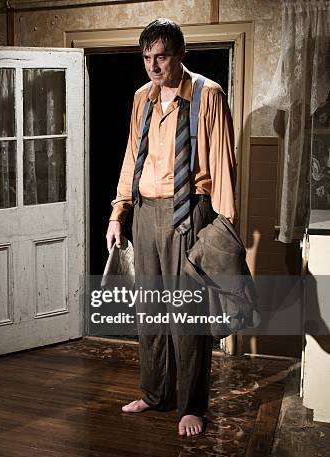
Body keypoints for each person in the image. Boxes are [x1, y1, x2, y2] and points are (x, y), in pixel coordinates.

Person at [105, 18, 237, 437]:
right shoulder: (141, 97)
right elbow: (131, 158)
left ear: (181, 54)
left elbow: (223, 167)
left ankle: (190, 405)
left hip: (190, 211)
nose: (153, 66)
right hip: (145, 211)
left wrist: (224, 230)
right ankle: (155, 393)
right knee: (149, 309)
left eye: (161, 56)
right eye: (146, 57)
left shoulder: (207, 94)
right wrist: (117, 213)